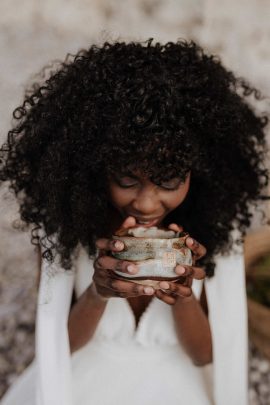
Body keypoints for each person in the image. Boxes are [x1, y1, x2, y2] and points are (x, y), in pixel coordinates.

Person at [0, 39, 269, 405]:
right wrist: (98, 292)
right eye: (127, 181)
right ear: (96, 167)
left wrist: (184, 296)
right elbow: (55, 347)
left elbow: (204, 355)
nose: (146, 203)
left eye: (170, 182)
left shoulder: (215, 235)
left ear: (201, 171)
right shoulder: (65, 230)